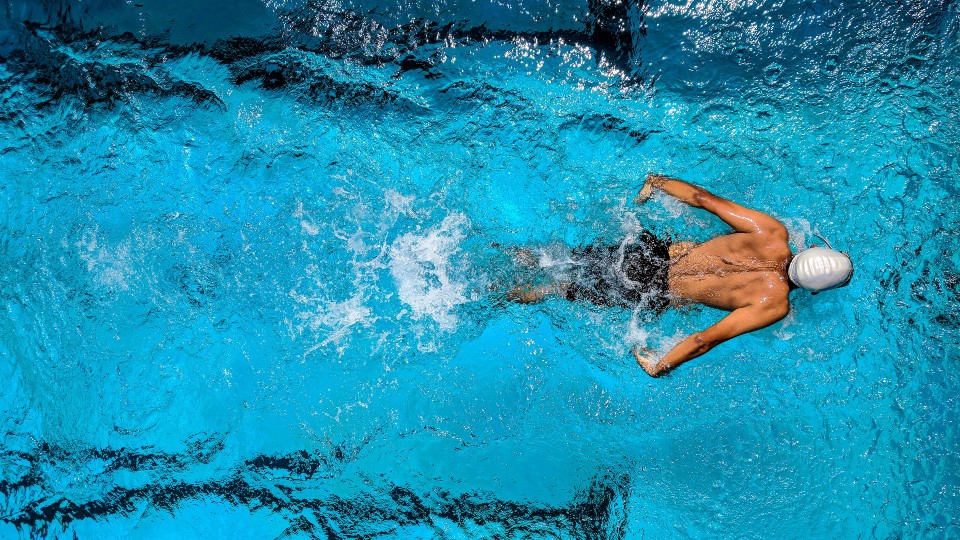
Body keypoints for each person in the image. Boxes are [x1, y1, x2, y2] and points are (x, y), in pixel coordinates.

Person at [508, 173, 853, 377]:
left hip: (649, 253)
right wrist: (661, 365)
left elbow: (703, 199)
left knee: (557, 259)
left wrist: (657, 183)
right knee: (558, 289)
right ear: (815, 290)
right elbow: (705, 339)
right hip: (653, 291)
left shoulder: (772, 233)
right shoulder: (774, 304)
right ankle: (499, 294)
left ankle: (508, 253)